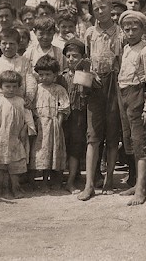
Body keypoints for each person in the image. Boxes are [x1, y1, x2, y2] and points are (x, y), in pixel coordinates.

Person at [78, 0, 122, 201]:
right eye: (95, 8)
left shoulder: (121, 33)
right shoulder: (89, 33)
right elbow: (85, 59)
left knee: (113, 135)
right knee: (93, 135)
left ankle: (110, 178)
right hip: (95, 85)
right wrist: (90, 74)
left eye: (103, 6)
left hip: (115, 84)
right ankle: (89, 185)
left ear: (110, 6)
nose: (100, 10)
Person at [0, 28, 37, 190]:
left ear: (18, 44)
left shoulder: (24, 62)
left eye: (12, 44)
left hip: (18, 106)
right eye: (4, 43)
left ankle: (17, 181)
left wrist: (29, 97)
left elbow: (31, 81)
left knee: (18, 141)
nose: (8, 47)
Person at [116, 11, 146, 206]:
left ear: (143, 29)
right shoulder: (126, 48)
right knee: (132, 141)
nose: (131, 32)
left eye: (135, 29)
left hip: (138, 96)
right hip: (124, 95)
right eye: (127, 29)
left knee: (141, 142)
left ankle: (141, 188)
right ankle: (136, 183)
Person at [0, 70, 36, 198]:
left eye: (14, 86)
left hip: (16, 138)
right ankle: (0, 189)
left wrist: (25, 129)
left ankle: (16, 188)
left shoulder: (21, 102)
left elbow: (28, 118)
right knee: (0, 165)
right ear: (1, 87)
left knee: (15, 166)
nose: (11, 90)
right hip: (2, 138)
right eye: (7, 87)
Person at [29, 56, 70, 191]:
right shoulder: (36, 89)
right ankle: (41, 181)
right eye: (41, 75)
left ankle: (54, 180)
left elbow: (64, 107)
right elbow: (31, 106)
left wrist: (58, 123)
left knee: (53, 152)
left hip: (53, 125)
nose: (44, 77)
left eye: (48, 74)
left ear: (55, 75)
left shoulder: (59, 89)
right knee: (40, 153)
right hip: (39, 125)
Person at [60, 38, 93, 194]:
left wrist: (84, 72)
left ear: (83, 57)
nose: (71, 59)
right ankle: (65, 179)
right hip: (65, 116)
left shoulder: (86, 74)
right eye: (68, 56)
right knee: (65, 146)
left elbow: (85, 92)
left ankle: (72, 180)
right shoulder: (62, 76)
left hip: (80, 115)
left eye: (75, 56)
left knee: (76, 147)